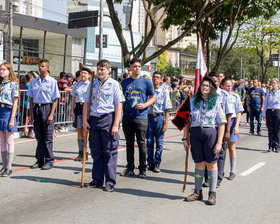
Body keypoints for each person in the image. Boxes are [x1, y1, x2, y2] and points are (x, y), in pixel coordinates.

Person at [183, 76, 226, 205]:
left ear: (211, 88)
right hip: (195, 133)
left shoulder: (217, 102)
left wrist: (219, 142)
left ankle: (212, 193)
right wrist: (185, 138)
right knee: (199, 163)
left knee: (211, 163)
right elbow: (187, 122)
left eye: (207, 85)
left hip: (211, 133)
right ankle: (197, 191)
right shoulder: (192, 101)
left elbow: (222, 124)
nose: (204, 87)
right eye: (202, 85)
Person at [83, 60, 125, 192]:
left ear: (108, 70)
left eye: (103, 69)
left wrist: (115, 124)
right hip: (95, 119)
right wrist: (85, 120)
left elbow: (119, 104)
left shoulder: (114, 85)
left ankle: (110, 181)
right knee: (96, 151)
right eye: (98, 69)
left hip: (108, 118)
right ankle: (97, 179)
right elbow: (86, 103)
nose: (100, 72)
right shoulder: (92, 84)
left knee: (109, 151)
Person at [121, 58, 156, 178]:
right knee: (129, 143)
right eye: (134, 66)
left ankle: (142, 169)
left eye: (139, 66)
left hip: (141, 117)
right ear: (130, 68)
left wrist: (145, 104)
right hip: (127, 117)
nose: (137, 68)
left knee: (141, 143)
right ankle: (130, 168)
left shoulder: (146, 82)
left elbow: (153, 97)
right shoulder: (124, 82)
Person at [27, 59, 60, 170]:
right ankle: (40, 160)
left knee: (47, 136)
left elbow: (55, 99)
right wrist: (31, 113)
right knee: (39, 136)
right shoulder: (34, 81)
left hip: (47, 108)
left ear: (47, 68)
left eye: (43, 66)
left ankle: (49, 160)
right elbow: (31, 98)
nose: (40, 68)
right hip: (37, 108)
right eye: (39, 66)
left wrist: (51, 114)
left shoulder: (52, 82)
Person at [203, 72, 233, 188]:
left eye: (215, 81)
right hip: (208, 129)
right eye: (211, 81)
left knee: (219, 154)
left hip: (220, 127)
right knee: (207, 154)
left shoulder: (224, 95)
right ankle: (207, 178)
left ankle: (218, 178)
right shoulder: (205, 95)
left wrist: (227, 131)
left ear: (219, 83)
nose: (213, 83)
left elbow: (229, 114)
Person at [147, 71, 172, 173]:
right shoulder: (148, 90)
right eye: (154, 77)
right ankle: (150, 162)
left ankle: (157, 162)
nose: (155, 79)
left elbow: (167, 109)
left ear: (162, 79)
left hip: (159, 118)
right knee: (149, 141)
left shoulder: (164, 91)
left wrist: (166, 123)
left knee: (159, 142)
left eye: (157, 77)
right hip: (149, 117)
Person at [222, 77, 243, 180]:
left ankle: (232, 170)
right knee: (222, 148)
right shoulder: (219, 95)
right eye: (227, 85)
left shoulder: (235, 96)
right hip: (222, 122)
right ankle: (221, 169)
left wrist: (236, 126)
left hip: (233, 121)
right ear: (222, 86)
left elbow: (239, 111)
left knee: (231, 147)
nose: (229, 87)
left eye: (230, 85)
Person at [0, 62, 19, 177]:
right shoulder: (1, 84)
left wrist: (12, 118)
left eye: (4, 69)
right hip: (0, 111)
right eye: (0, 69)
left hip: (8, 112)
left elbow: (15, 102)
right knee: (2, 141)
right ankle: (4, 165)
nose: (1, 71)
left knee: (9, 141)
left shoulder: (14, 84)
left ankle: (9, 167)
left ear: (9, 71)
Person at [71, 67, 91, 161]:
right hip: (78, 107)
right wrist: (72, 111)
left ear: (89, 75)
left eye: (85, 73)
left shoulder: (91, 85)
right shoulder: (76, 84)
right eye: (82, 73)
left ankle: (85, 151)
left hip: (87, 108)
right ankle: (80, 152)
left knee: (85, 131)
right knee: (79, 131)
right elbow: (73, 98)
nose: (83, 75)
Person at [263, 78, 280, 153]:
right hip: (270, 111)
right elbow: (265, 104)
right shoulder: (268, 93)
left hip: (277, 111)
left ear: (278, 84)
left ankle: (277, 146)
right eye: (272, 83)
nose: (273, 85)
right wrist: (264, 114)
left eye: (274, 83)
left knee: (277, 130)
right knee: (270, 129)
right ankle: (270, 145)